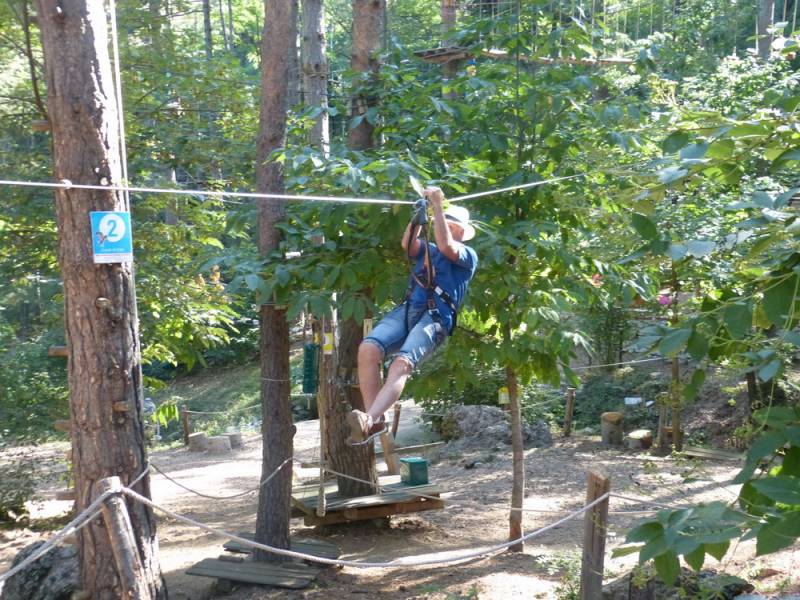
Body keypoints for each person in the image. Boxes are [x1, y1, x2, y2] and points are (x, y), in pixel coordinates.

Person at [346, 187, 478, 444]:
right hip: (408, 309)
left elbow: (446, 245)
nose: (445, 227)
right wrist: (416, 219)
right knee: (368, 349)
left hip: (435, 318)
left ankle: (370, 419)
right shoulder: (428, 249)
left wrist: (437, 208)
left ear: (461, 232)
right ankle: (374, 422)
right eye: (444, 223)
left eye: (450, 224)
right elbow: (408, 245)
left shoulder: (466, 256)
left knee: (401, 364)